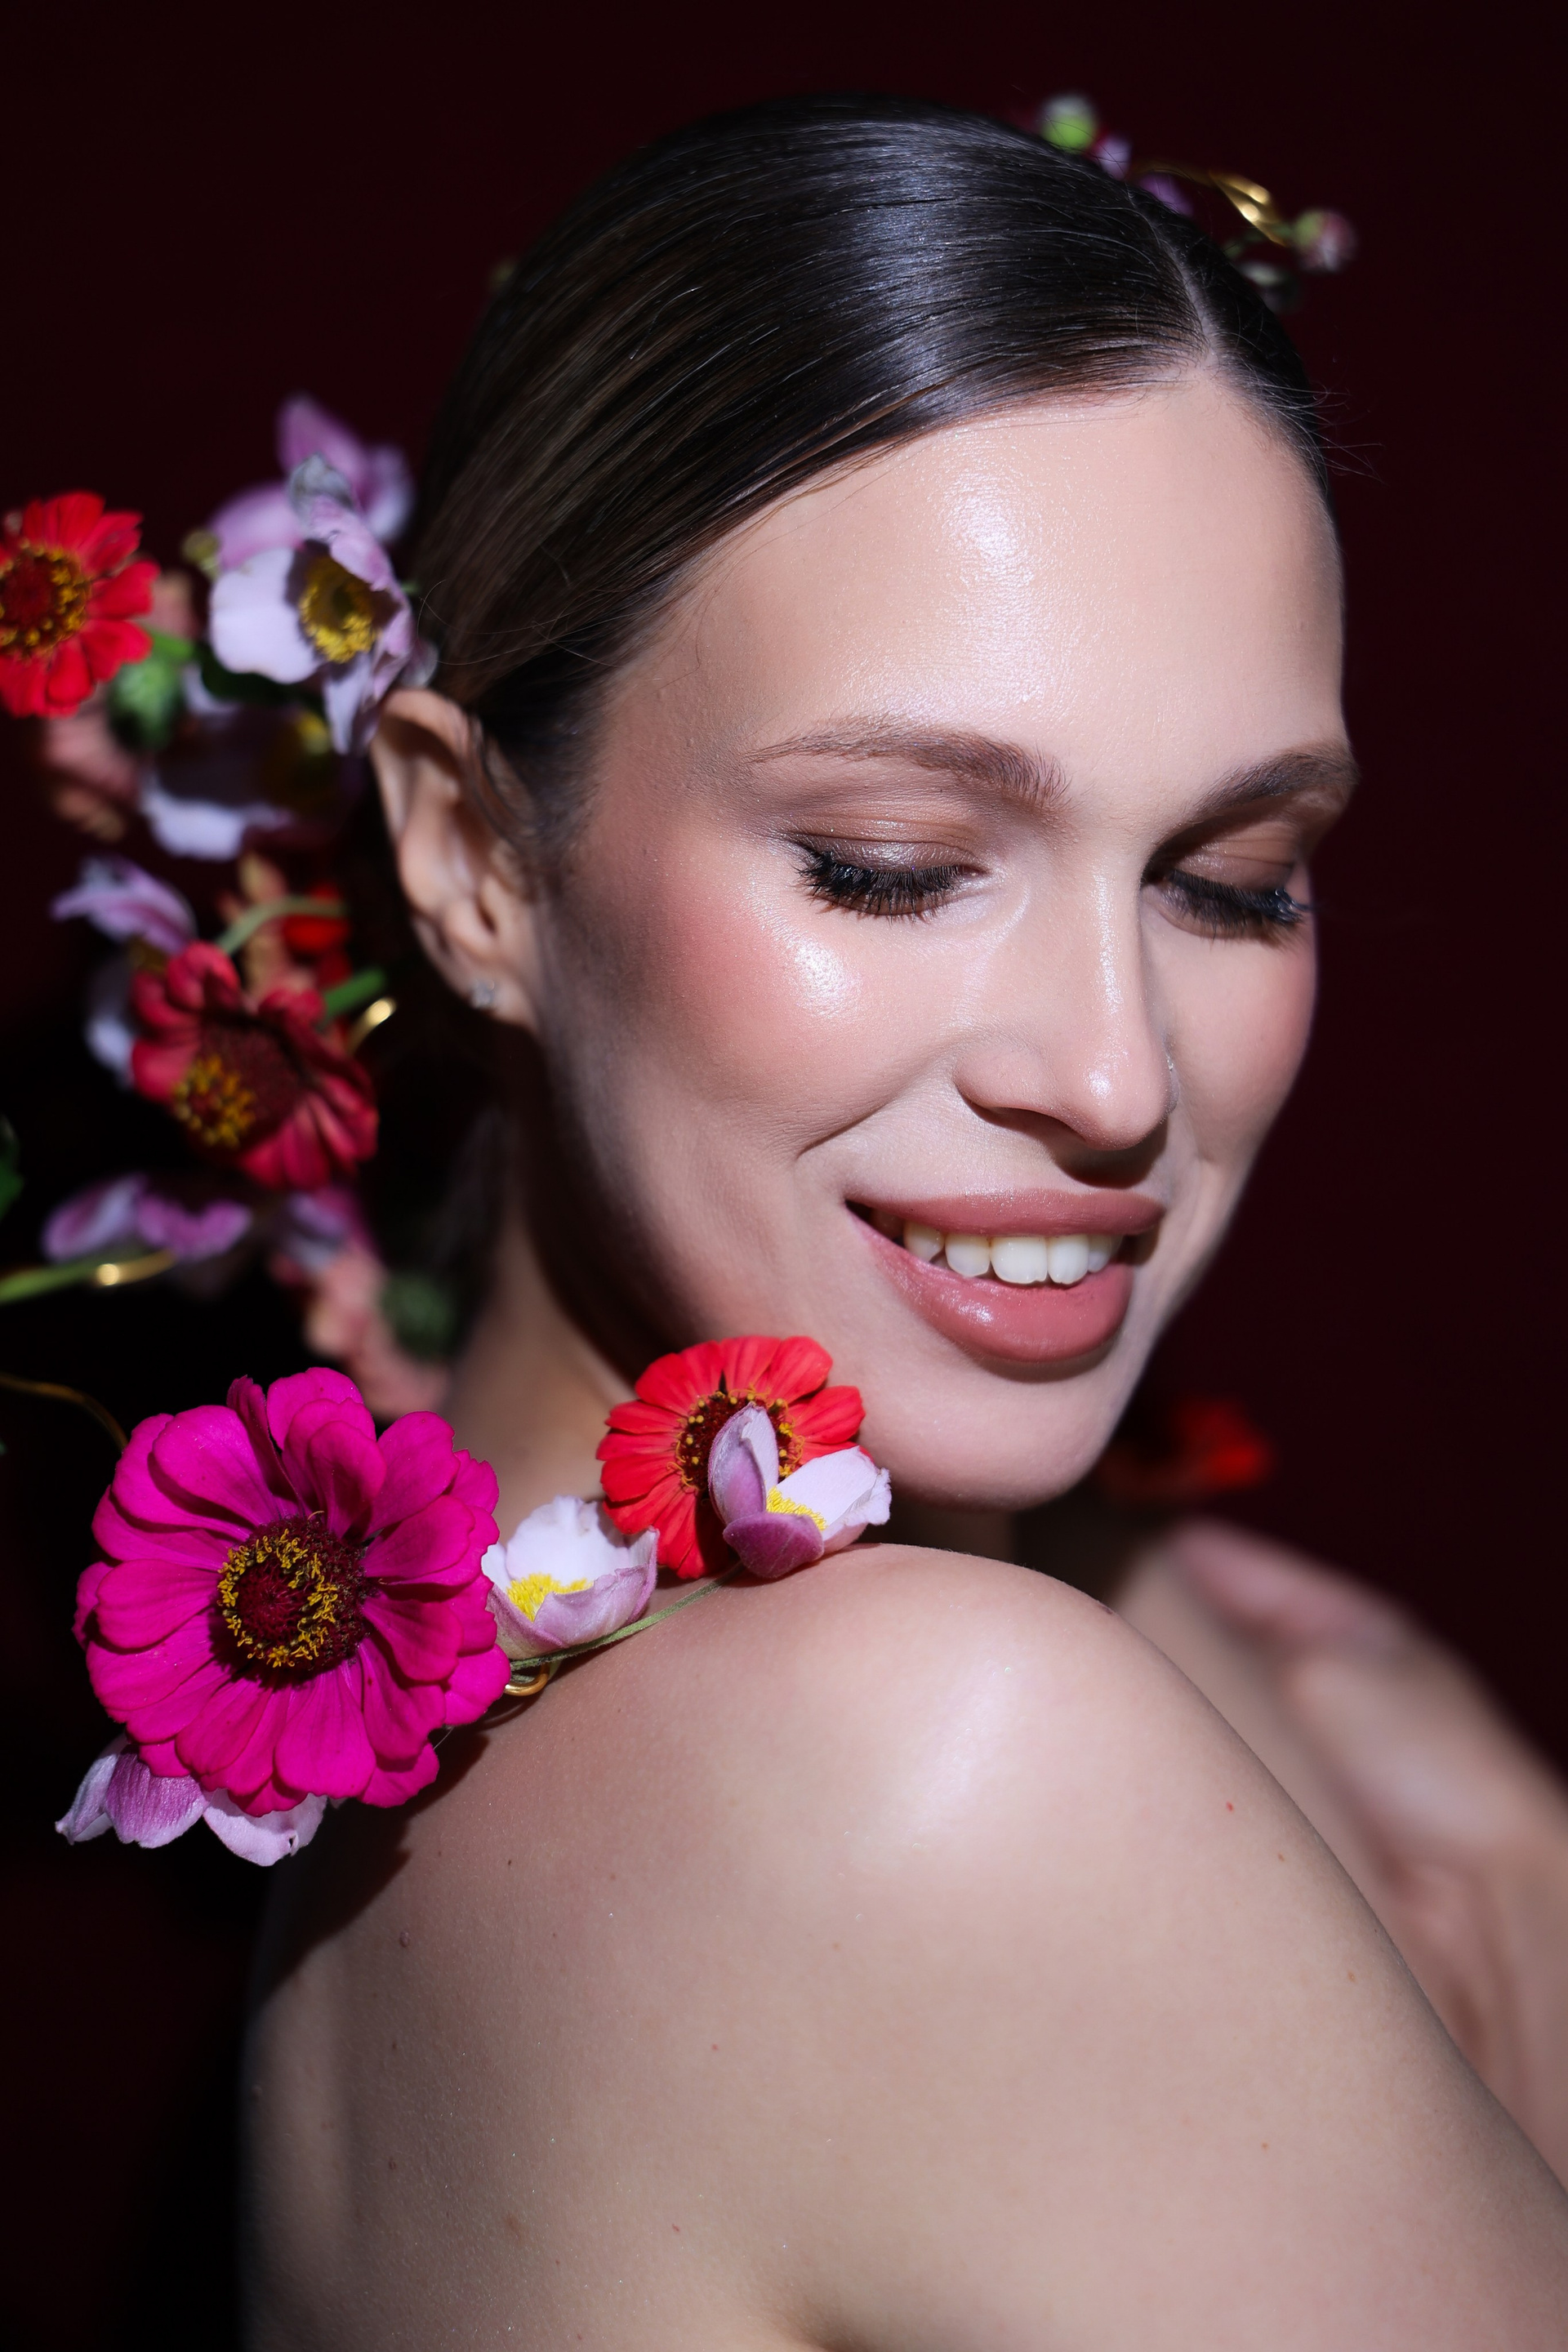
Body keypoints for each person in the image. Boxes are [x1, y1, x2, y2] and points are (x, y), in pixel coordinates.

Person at [243, 96, 1568, 2344]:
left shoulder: (401, 1731)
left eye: (1235, 883)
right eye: (892, 865)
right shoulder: (933, 1760)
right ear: (470, 860)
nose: (1120, 1076)